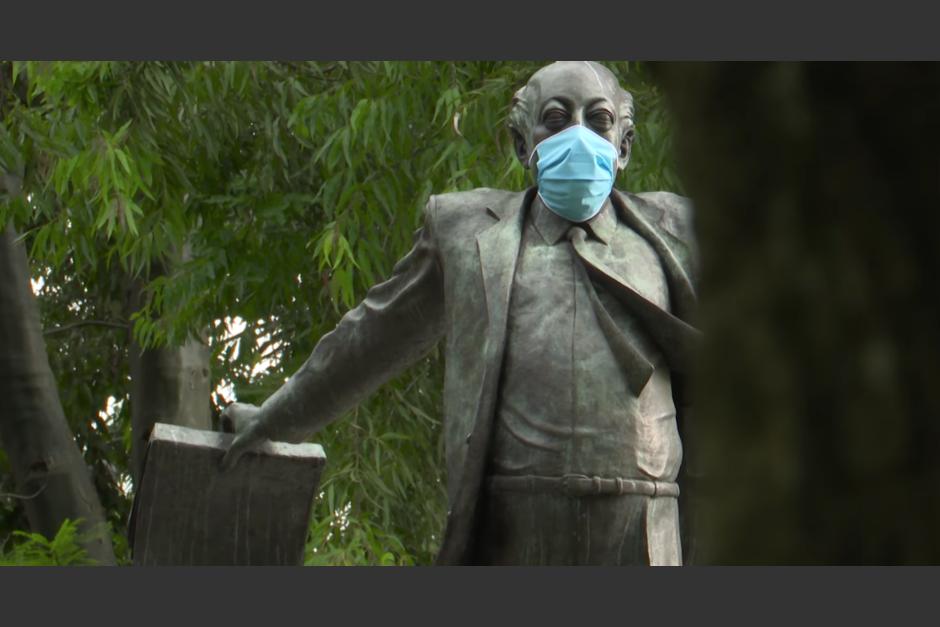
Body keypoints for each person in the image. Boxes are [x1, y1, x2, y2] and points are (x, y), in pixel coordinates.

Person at [221, 61, 700, 565]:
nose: (578, 136)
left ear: (624, 146)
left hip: (644, 528)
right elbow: (371, 337)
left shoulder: (678, 232)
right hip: (515, 525)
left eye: (598, 120)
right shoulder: (463, 231)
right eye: (556, 120)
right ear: (522, 144)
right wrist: (272, 421)